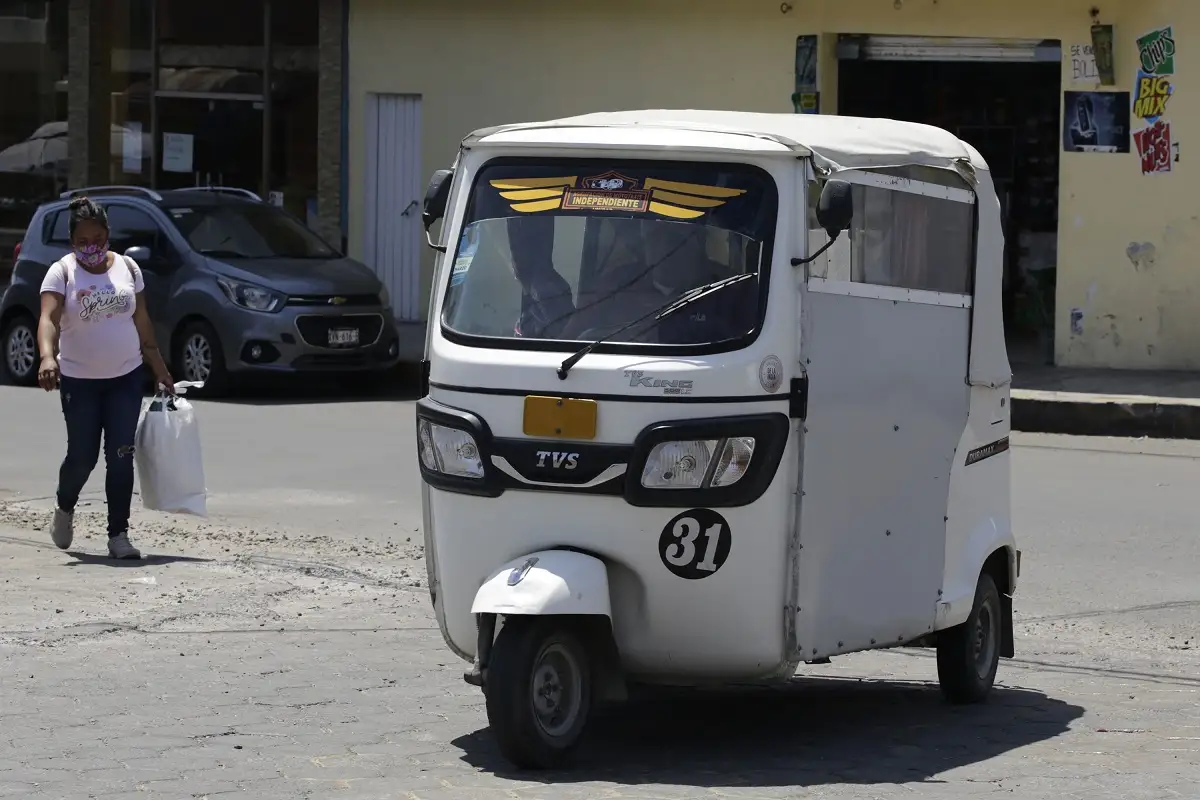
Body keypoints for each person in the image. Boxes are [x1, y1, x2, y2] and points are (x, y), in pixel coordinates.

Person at [36, 196, 174, 560]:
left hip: (125, 378)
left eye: (97, 240)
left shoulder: (128, 268)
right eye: (83, 242)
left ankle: (118, 535)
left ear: (108, 235)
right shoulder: (62, 272)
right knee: (82, 457)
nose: (90, 248)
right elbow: (48, 319)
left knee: (121, 455)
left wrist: (159, 368)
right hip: (79, 381)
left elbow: (141, 320)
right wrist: (48, 357)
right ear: (72, 242)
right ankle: (65, 507)